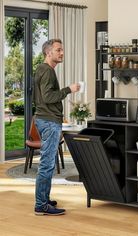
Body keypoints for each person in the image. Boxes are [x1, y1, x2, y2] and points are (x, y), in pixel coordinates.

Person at [33, 38, 81, 216]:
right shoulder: (47, 71)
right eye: (58, 50)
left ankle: (43, 199)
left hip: (44, 119)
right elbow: (47, 97)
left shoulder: (42, 69)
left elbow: (40, 98)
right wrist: (69, 89)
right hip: (49, 121)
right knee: (47, 164)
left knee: (48, 162)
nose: (62, 53)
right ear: (48, 52)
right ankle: (41, 205)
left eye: (62, 50)